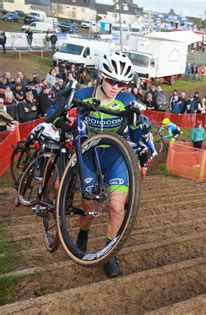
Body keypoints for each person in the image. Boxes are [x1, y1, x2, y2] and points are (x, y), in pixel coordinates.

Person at [46, 51, 140, 278]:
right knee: (89, 206)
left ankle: (110, 251)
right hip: (88, 156)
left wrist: (138, 123)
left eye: (122, 83)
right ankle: (83, 232)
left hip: (116, 157)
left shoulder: (127, 100)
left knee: (117, 208)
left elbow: (136, 138)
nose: (116, 87)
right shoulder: (83, 94)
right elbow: (52, 113)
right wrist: (61, 121)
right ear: (100, 75)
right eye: (111, 80)